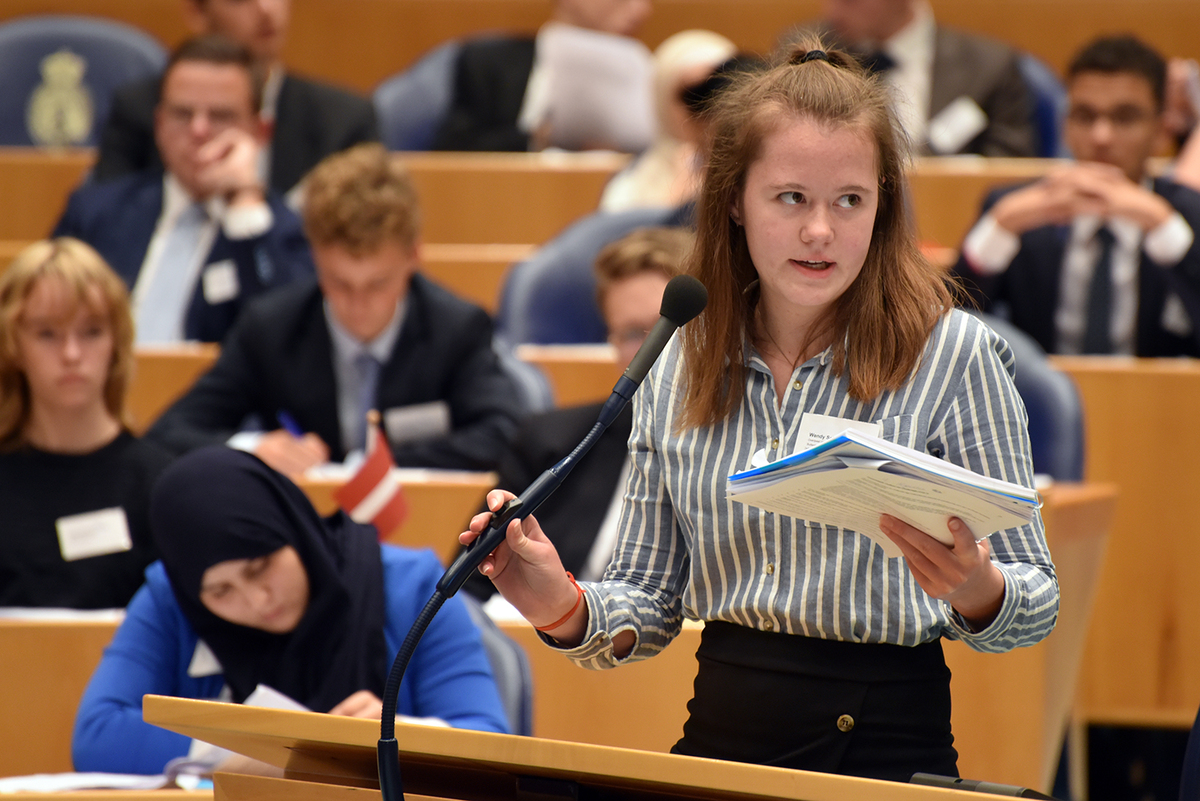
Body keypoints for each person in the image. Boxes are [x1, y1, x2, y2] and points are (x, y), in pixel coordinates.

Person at [462, 37, 1058, 782]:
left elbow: (1037, 598)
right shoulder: (679, 355)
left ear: (883, 206)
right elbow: (650, 600)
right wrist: (565, 607)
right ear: (736, 202)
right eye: (791, 198)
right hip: (719, 743)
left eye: (851, 200)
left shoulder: (953, 353)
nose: (820, 231)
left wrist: (980, 591)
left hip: (883, 753)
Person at [72, 446, 509, 775]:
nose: (256, 601)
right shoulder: (172, 597)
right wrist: (283, 746)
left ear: (292, 530)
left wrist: (400, 736)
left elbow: (493, 742)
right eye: (221, 591)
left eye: (260, 566)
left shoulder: (412, 587)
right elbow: (97, 735)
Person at [146, 143, 524, 477]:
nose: (357, 305)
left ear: (414, 257)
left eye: (378, 283)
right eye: (339, 282)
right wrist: (253, 449)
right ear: (314, 258)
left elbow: (503, 434)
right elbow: (170, 432)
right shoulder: (272, 328)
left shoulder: (456, 328)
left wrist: (371, 471)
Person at [465, 226, 691, 601]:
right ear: (612, 343)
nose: (653, 348)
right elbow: (471, 590)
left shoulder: (751, 445)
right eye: (634, 333)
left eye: (667, 326)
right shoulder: (552, 443)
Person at [52, 35, 315, 345]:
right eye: (182, 114)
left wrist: (245, 204)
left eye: (220, 116)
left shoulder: (285, 231)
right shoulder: (97, 213)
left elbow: (288, 346)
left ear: (259, 132)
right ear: (160, 125)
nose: (198, 131)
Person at [953, 35, 1200, 357]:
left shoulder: (1186, 211)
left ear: (1160, 130)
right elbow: (949, 326)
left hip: (1156, 404)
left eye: (1125, 117)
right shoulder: (1017, 210)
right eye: (1085, 116)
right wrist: (999, 225)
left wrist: (1163, 227)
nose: (1101, 136)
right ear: (1065, 125)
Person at [0, 238, 172, 609]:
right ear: (13, 345)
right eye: (47, 334)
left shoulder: (160, 485)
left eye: (91, 332)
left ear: (117, 342)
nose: (72, 355)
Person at [92, 0, 378, 197]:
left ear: (262, 127)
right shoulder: (137, 109)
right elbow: (104, 220)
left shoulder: (345, 121)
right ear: (197, 12)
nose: (266, 9)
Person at [786, 0, 1035, 157]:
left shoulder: (989, 67)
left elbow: (1006, 174)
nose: (831, 10)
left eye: (849, 0)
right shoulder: (806, 53)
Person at [433, 0, 653, 152]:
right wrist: (537, 138)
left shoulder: (653, 73)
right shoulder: (489, 62)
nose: (641, 10)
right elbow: (453, 152)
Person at [599, 31, 738, 212]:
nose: (707, 111)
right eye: (692, 96)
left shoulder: (759, 174)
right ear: (662, 99)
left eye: (719, 93)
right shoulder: (630, 186)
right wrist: (678, 204)